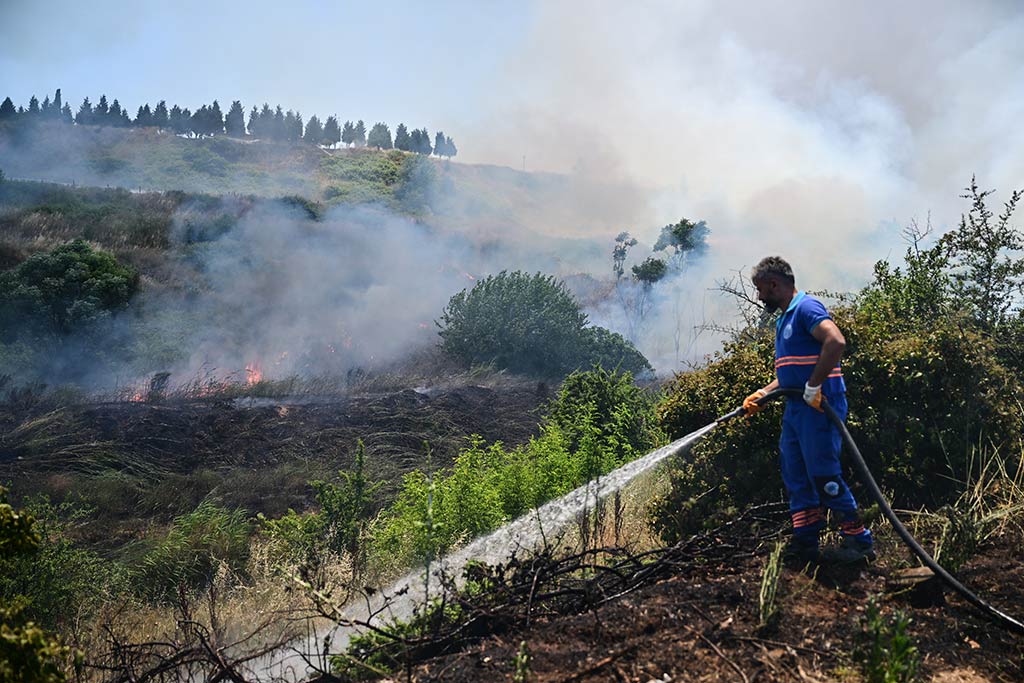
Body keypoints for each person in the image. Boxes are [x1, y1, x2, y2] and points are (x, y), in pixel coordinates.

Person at [742, 256, 875, 565]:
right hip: (797, 407)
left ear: (774, 284)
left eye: (761, 290)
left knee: (823, 474)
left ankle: (859, 542)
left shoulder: (805, 308)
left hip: (819, 404)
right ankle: (806, 544)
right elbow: (790, 374)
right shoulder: (784, 318)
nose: (760, 297)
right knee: (796, 474)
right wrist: (763, 393)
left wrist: (815, 386)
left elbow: (836, 341)